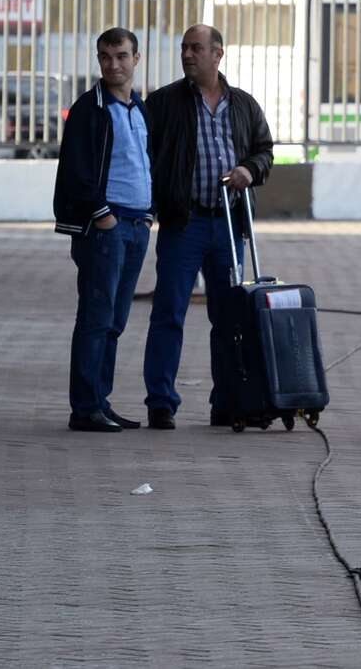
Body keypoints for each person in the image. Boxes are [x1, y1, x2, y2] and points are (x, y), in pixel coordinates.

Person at [142, 24, 274, 430]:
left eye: (195, 48)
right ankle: (161, 402)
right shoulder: (164, 102)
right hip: (185, 222)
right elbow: (144, 154)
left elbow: (265, 150)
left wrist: (249, 170)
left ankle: (228, 401)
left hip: (229, 225)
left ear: (218, 54)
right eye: (184, 48)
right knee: (169, 312)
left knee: (229, 316)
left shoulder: (243, 105)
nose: (187, 55)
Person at [52, 28, 154, 433]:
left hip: (137, 224)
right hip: (104, 229)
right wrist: (103, 216)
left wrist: (148, 214)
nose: (113, 64)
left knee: (115, 320)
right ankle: (85, 408)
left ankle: (100, 401)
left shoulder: (140, 109)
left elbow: (146, 163)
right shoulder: (89, 110)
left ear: (136, 59)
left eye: (121, 56)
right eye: (105, 56)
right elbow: (77, 171)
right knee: (96, 318)